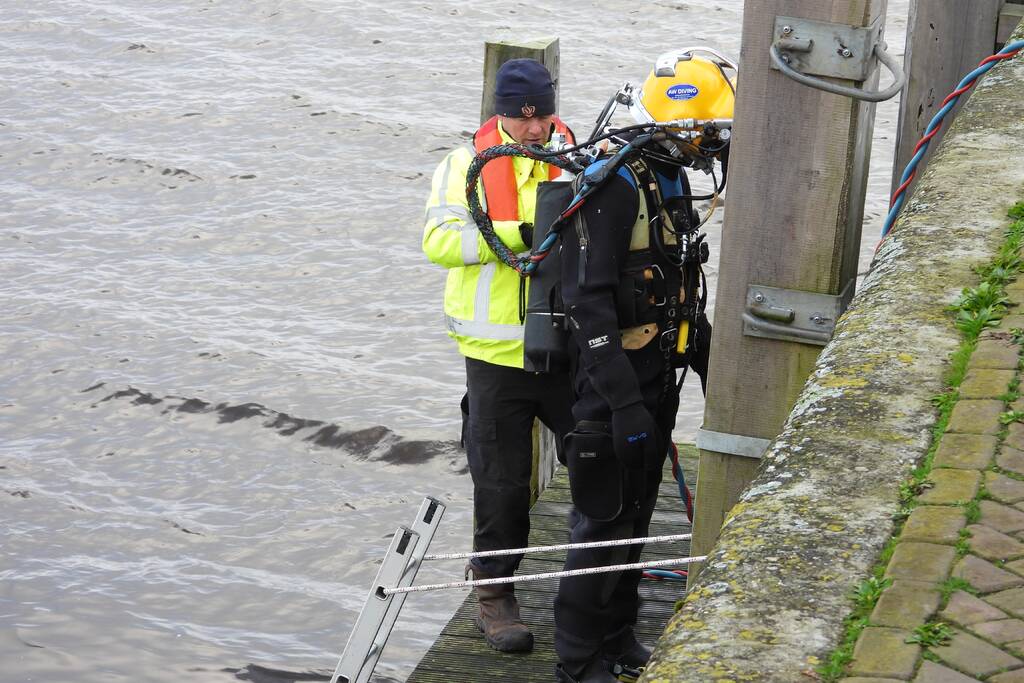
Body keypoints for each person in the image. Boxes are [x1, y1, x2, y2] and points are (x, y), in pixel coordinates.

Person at [550, 51, 730, 682]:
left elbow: (678, 272)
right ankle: (576, 661)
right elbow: (586, 301)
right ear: (683, 124)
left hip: (656, 378)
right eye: (709, 132)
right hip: (611, 388)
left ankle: (619, 635)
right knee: (600, 522)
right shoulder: (615, 183)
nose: (713, 147)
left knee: (635, 519)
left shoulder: (668, 177)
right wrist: (622, 403)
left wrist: (701, 349)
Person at [421, 58, 577, 653]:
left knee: (599, 466)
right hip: (492, 358)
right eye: (519, 117)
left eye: (540, 117)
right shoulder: (462, 167)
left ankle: (594, 590)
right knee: (502, 487)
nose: (532, 130)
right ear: (500, 112)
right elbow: (437, 241)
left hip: (566, 349)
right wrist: (515, 235)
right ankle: (494, 596)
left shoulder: (579, 160)